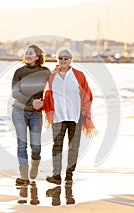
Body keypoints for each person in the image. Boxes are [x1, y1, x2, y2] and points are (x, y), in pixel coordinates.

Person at [43, 47, 98, 185]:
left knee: (74, 146)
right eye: (60, 58)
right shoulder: (51, 76)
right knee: (57, 145)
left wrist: (85, 111)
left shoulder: (78, 75)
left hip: (76, 115)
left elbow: (87, 94)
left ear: (71, 60)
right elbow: (46, 93)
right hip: (58, 116)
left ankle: (69, 174)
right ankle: (56, 175)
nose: (63, 60)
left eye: (66, 58)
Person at [11, 44, 51, 185]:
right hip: (19, 111)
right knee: (21, 144)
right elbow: (15, 92)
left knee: (36, 146)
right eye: (26, 53)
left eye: (30, 53)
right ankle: (24, 177)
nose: (27, 55)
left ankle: (35, 164)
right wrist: (31, 102)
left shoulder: (46, 72)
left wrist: (42, 103)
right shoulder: (19, 72)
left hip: (36, 114)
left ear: (38, 56)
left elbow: (52, 90)